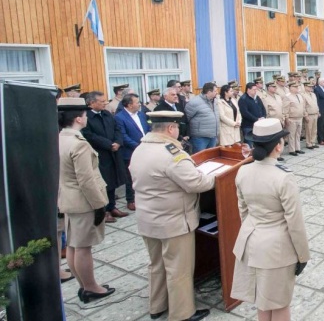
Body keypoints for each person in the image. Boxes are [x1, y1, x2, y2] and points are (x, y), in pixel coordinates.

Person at [131, 111, 214, 321]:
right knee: (179, 268)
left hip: (148, 218)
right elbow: (197, 183)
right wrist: (215, 175)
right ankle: (182, 313)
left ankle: (157, 305)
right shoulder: (172, 154)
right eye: (177, 127)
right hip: (173, 221)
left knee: (156, 264)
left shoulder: (140, 149)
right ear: (171, 129)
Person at [230, 118, 310, 321]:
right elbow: (295, 223)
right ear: (278, 146)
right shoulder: (283, 177)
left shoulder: (243, 171)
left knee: (263, 302)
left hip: (251, 242)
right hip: (277, 248)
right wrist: (302, 255)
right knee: (280, 304)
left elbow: (243, 210)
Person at [57, 98, 116, 303]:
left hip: (68, 199)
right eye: (84, 115)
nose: (86, 118)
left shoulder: (59, 138)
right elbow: (86, 180)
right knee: (83, 247)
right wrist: (99, 204)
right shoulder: (78, 144)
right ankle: (91, 287)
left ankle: (84, 285)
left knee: (73, 245)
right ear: (79, 118)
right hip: (83, 202)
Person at [81, 91, 129, 223]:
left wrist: (118, 142)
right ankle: (104, 211)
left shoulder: (107, 114)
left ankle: (112, 206)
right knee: (103, 183)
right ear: (91, 103)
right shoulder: (87, 117)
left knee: (113, 181)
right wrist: (108, 144)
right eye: (101, 101)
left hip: (113, 152)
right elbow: (88, 135)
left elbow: (117, 129)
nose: (105, 103)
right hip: (100, 154)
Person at [115, 94, 150, 211]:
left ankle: (144, 197)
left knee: (145, 175)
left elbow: (147, 129)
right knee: (131, 177)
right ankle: (130, 200)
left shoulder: (141, 114)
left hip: (146, 149)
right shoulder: (119, 117)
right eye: (137, 102)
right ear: (129, 105)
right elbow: (123, 136)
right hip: (130, 152)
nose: (140, 104)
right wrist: (139, 146)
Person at [184, 82, 220, 153]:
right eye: (215, 91)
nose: (217, 93)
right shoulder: (194, 102)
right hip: (200, 138)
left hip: (213, 136)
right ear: (209, 92)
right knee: (200, 159)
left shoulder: (215, 101)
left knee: (211, 159)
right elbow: (186, 118)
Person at [238, 82, 267, 147]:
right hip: (248, 126)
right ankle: (250, 157)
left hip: (259, 124)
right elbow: (245, 113)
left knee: (258, 143)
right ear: (248, 90)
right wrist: (256, 119)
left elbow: (263, 108)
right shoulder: (243, 99)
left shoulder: (257, 97)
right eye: (254, 89)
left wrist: (263, 117)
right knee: (249, 144)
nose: (255, 91)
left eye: (256, 89)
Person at [284, 82, 305, 156]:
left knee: (298, 134)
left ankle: (298, 148)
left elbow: (302, 106)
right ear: (290, 88)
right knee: (292, 135)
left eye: (297, 87)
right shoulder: (287, 96)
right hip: (292, 118)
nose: (297, 88)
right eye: (295, 87)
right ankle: (292, 150)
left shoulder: (299, 95)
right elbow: (285, 108)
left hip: (300, 117)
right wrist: (286, 118)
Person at [302, 82, 321, 150]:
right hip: (309, 115)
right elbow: (303, 107)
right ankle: (308, 143)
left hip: (315, 113)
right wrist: (305, 115)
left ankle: (313, 142)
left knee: (314, 130)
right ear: (305, 87)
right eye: (309, 87)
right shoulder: (303, 95)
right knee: (309, 130)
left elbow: (316, 104)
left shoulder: (313, 94)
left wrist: (318, 111)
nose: (311, 88)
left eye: (311, 87)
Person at [314, 77, 324, 145]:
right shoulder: (317, 89)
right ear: (320, 82)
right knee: (320, 125)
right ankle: (320, 139)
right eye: (323, 82)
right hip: (321, 109)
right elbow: (316, 101)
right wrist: (318, 111)